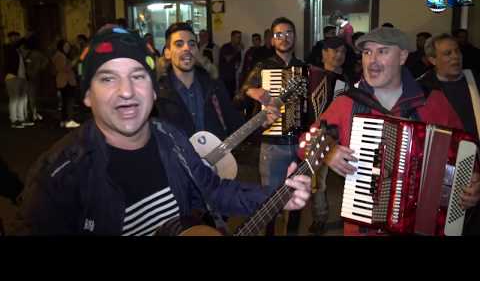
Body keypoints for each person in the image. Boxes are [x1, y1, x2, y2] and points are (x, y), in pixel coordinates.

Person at [16, 27, 311, 235]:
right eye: (107, 79)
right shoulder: (57, 179)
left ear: (153, 90)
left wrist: (278, 195)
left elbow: (214, 190)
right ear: (87, 96)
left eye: (137, 76)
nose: (127, 91)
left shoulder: (172, 139)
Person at [299, 26, 479, 236]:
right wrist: (328, 152)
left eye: (382, 51)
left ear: (403, 56)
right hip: (364, 229)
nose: (372, 60)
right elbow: (305, 143)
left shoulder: (433, 101)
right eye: (367, 52)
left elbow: (467, 150)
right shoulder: (348, 103)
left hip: (426, 226)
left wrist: (473, 181)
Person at [237, 17, 306, 235]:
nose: (284, 38)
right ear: (272, 39)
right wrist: (253, 91)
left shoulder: (304, 68)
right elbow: (239, 94)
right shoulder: (262, 66)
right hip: (272, 144)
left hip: (299, 142)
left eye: (288, 33)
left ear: (294, 37)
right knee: (270, 199)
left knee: (298, 197)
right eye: (279, 34)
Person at [156, 22, 276, 141]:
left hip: (216, 159)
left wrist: (261, 123)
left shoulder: (214, 85)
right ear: (167, 52)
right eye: (179, 44)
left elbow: (235, 124)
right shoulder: (158, 94)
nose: (187, 48)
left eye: (192, 44)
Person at [417, 33, 480, 234]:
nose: (455, 57)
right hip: (442, 173)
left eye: (457, 51)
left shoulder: (476, 80)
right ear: (432, 60)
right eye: (447, 53)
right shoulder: (421, 89)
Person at [307, 37, 353, 235]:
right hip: (318, 135)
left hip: (343, 135)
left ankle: (351, 215)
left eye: (343, 52)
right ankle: (320, 217)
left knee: (351, 178)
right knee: (317, 180)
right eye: (334, 51)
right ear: (324, 53)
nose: (339, 55)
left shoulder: (351, 79)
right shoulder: (310, 75)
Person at [4, 33, 30, 128]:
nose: (16, 39)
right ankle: (14, 120)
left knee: (21, 99)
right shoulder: (7, 48)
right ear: (10, 38)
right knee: (14, 99)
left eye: (17, 37)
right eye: (14, 37)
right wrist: (24, 38)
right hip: (12, 77)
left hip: (21, 77)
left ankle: (21, 118)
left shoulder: (17, 50)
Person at [52, 40, 80, 128]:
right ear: (61, 46)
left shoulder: (63, 55)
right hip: (65, 82)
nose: (67, 48)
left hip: (67, 81)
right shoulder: (59, 56)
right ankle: (68, 120)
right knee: (68, 102)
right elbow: (64, 68)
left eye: (68, 46)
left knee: (66, 102)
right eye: (65, 46)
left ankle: (65, 121)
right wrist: (74, 62)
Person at [219, 30, 243, 98]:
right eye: (237, 37)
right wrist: (237, 50)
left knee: (232, 97)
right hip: (224, 78)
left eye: (240, 37)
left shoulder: (237, 49)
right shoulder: (225, 47)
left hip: (233, 77)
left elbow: (238, 61)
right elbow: (227, 59)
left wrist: (237, 65)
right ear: (232, 37)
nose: (239, 39)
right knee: (225, 97)